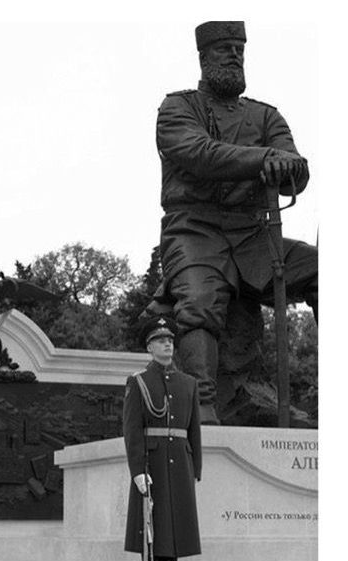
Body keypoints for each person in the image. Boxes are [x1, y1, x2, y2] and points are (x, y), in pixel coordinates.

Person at [149, 21, 318, 424]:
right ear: (203, 57)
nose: (234, 56)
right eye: (224, 49)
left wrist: (291, 170)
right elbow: (200, 154)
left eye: (239, 49)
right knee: (198, 301)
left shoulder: (266, 116)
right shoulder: (177, 108)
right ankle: (202, 408)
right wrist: (265, 159)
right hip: (195, 230)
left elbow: (295, 167)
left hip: (254, 236)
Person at [123, 316, 202, 560]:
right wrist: (137, 470)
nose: (167, 344)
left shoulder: (189, 383)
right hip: (153, 465)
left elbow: (194, 430)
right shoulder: (139, 381)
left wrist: (195, 468)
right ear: (149, 347)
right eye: (160, 341)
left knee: (177, 533)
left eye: (170, 340)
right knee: (154, 534)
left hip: (181, 464)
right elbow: (132, 430)